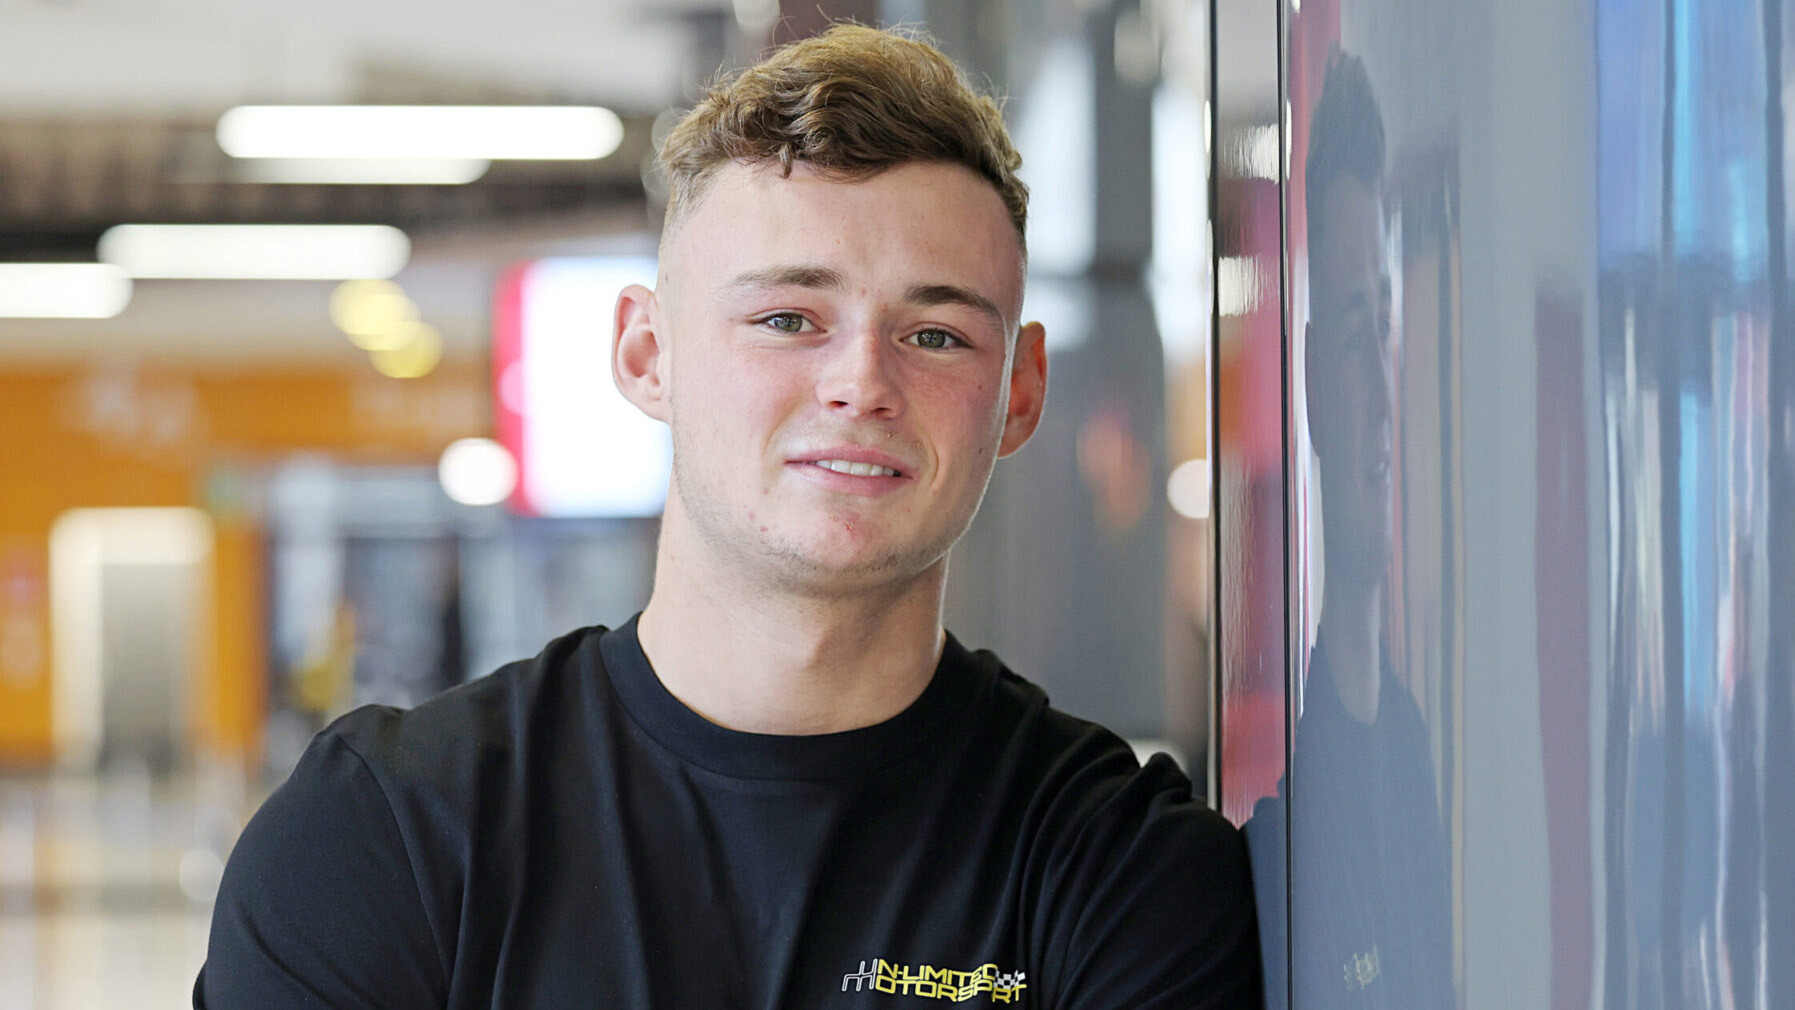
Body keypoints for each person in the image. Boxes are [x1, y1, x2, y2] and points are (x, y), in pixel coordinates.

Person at [194, 25, 1259, 1010]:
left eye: (935, 335)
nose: (860, 383)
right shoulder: (387, 835)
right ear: (646, 354)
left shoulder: (1117, 868)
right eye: (787, 318)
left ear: (1018, 392)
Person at [1245, 49, 1454, 1010]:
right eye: (1349, 334)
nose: (1379, 389)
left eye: (1387, 333)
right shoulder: (1295, 794)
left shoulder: (1415, 752)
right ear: (1310, 391)